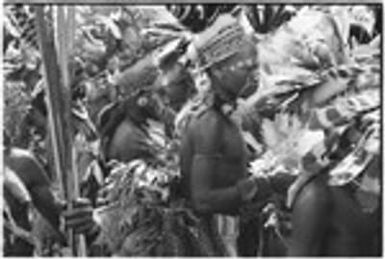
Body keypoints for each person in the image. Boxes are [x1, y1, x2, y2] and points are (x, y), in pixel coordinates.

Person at [178, 14, 261, 256]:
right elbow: (201, 200)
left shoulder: (227, 115)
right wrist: (253, 188)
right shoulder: (209, 123)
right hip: (217, 238)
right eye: (247, 67)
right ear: (218, 71)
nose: (255, 74)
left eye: (256, 66)